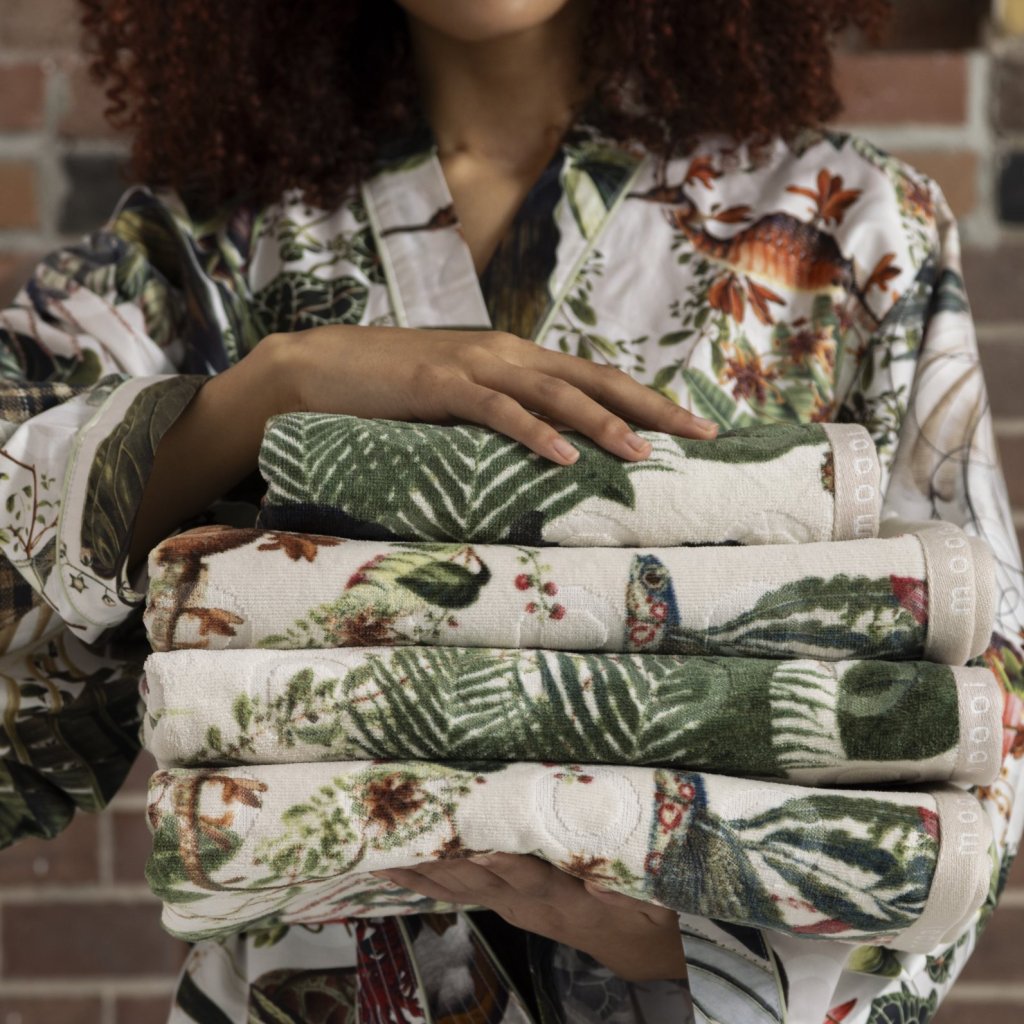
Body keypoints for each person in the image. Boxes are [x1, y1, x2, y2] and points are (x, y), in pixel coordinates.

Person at [0, 0, 1020, 1020]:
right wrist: (266, 390)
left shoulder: (846, 225)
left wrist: (692, 944)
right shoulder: (207, 250)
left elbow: (978, 708)